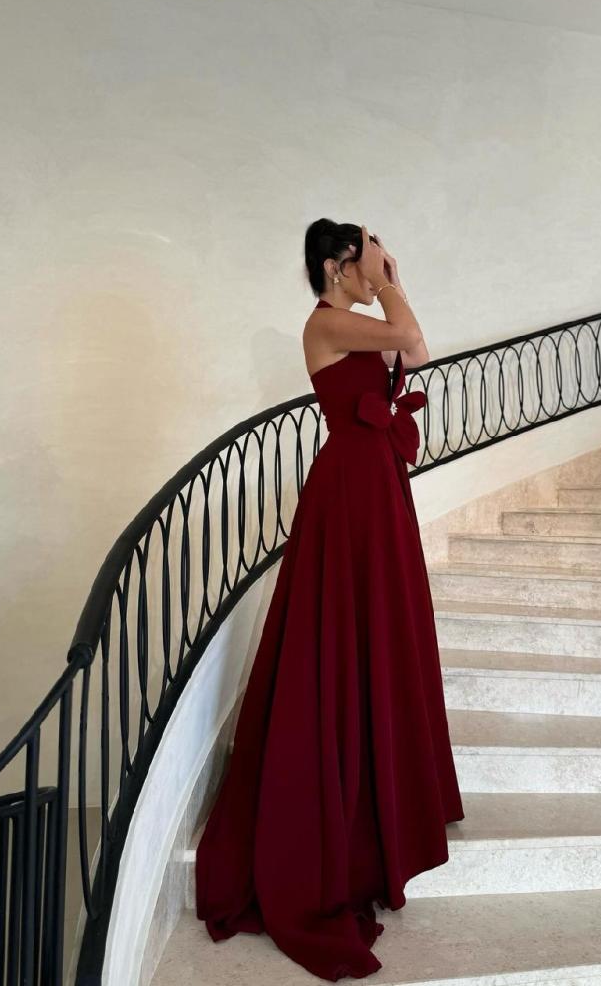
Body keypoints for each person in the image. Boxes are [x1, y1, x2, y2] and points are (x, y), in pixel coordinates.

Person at [194, 218, 465, 981]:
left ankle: (386, 794)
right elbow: (406, 335)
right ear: (337, 266)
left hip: (376, 482)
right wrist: (387, 281)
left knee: (387, 628)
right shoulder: (325, 323)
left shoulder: (358, 321)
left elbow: (416, 352)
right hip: (349, 487)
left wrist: (389, 280)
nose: (374, 267)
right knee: (343, 637)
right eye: (364, 257)